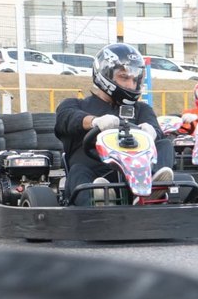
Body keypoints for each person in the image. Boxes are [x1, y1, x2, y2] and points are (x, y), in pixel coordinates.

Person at [54, 43, 174, 206]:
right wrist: (95, 122)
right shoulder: (76, 105)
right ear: (105, 74)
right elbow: (66, 118)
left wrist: (151, 131)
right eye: (124, 77)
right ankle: (99, 201)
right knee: (78, 171)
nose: (131, 85)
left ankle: (152, 190)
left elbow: (157, 131)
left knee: (165, 144)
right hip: (95, 175)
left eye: (135, 79)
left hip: (136, 175)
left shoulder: (141, 109)